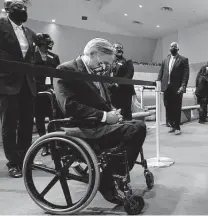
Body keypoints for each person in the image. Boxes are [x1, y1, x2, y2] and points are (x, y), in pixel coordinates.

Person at [53, 38, 147, 205]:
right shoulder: (65, 69)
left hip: (98, 123)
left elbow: (101, 101)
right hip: (82, 126)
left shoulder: (94, 72)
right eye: (104, 62)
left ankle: (113, 174)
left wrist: (111, 112)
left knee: (139, 125)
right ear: (94, 54)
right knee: (134, 130)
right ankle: (108, 180)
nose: (106, 67)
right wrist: (104, 116)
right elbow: (69, 106)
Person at [0, 0, 37, 178]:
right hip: (7, 83)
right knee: (10, 124)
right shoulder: (1, 25)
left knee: (26, 123)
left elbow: (31, 59)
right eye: (18, 7)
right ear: (8, 9)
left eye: (24, 7)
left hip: (27, 83)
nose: (22, 9)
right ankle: (13, 162)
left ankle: (24, 158)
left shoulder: (29, 32)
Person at [33, 33, 60, 156]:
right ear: (40, 43)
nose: (50, 44)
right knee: (39, 119)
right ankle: (44, 145)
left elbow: (58, 74)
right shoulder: (32, 56)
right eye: (47, 42)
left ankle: (55, 144)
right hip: (36, 92)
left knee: (53, 118)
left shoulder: (54, 57)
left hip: (50, 92)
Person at [157, 42, 190, 135]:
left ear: (178, 49)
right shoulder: (165, 60)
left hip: (177, 88)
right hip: (166, 87)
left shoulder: (183, 59)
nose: (173, 48)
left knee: (176, 107)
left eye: (175, 47)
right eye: (171, 46)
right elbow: (161, 72)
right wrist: (158, 82)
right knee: (168, 106)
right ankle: (171, 124)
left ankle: (177, 127)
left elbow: (186, 74)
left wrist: (183, 85)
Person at [109, 43, 135, 120]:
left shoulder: (127, 61)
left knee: (126, 112)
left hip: (125, 91)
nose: (119, 49)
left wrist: (118, 83)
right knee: (115, 112)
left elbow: (129, 75)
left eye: (121, 48)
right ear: (112, 49)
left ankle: (129, 130)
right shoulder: (110, 62)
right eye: (117, 48)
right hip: (113, 91)